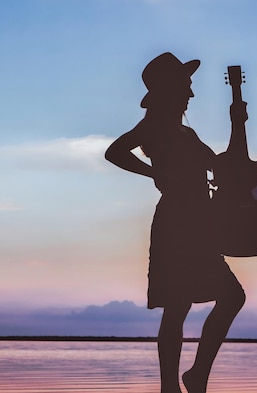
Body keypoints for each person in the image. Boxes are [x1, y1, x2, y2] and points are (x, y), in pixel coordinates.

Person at [105, 52, 247, 393]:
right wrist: (155, 171)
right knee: (178, 306)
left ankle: (195, 375)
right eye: (186, 85)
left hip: (200, 223)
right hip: (176, 223)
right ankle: (171, 385)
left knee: (227, 297)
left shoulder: (187, 132)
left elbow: (221, 166)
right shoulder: (153, 126)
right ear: (170, 89)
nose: (191, 93)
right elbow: (115, 152)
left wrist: (236, 123)